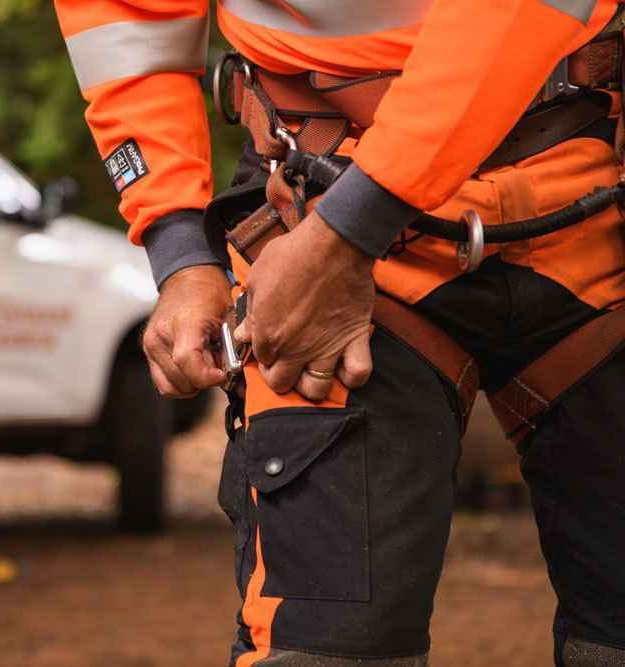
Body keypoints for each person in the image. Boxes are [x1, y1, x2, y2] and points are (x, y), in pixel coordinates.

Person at [55, 1, 625, 665]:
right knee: (326, 652)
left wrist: (346, 235)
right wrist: (179, 248)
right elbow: (125, 20)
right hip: (316, 188)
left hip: (591, 188)